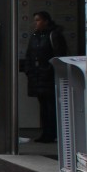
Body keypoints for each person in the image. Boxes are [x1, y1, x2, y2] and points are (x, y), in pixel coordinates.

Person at [24, 10, 67, 143]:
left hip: (48, 76)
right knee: (43, 106)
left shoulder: (53, 35)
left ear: (46, 21)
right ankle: (45, 132)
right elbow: (29, 55)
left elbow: (59, 54)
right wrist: (29, 70)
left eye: (38, 20)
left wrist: (48, 70)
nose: (35, 23)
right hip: (37, 76)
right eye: (35, 20)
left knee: (51, 105)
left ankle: (52, 133)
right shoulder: (35, 36)